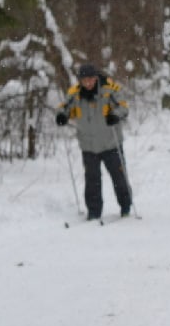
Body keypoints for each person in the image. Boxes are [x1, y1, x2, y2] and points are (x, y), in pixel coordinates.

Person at [55, 62, 133, 220]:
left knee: (119, 177)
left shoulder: (109, 89)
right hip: (88, 145)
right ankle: (94, 212)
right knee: (92, 181)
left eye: (91, 79)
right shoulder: (75, 93)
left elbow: (123, 107)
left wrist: (115, 115)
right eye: (85, 80)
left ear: (96, 78)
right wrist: (62, 116)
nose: (88, 83)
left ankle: (125, 206)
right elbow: (64, 107)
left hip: (110, 143)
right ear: (80, 80)